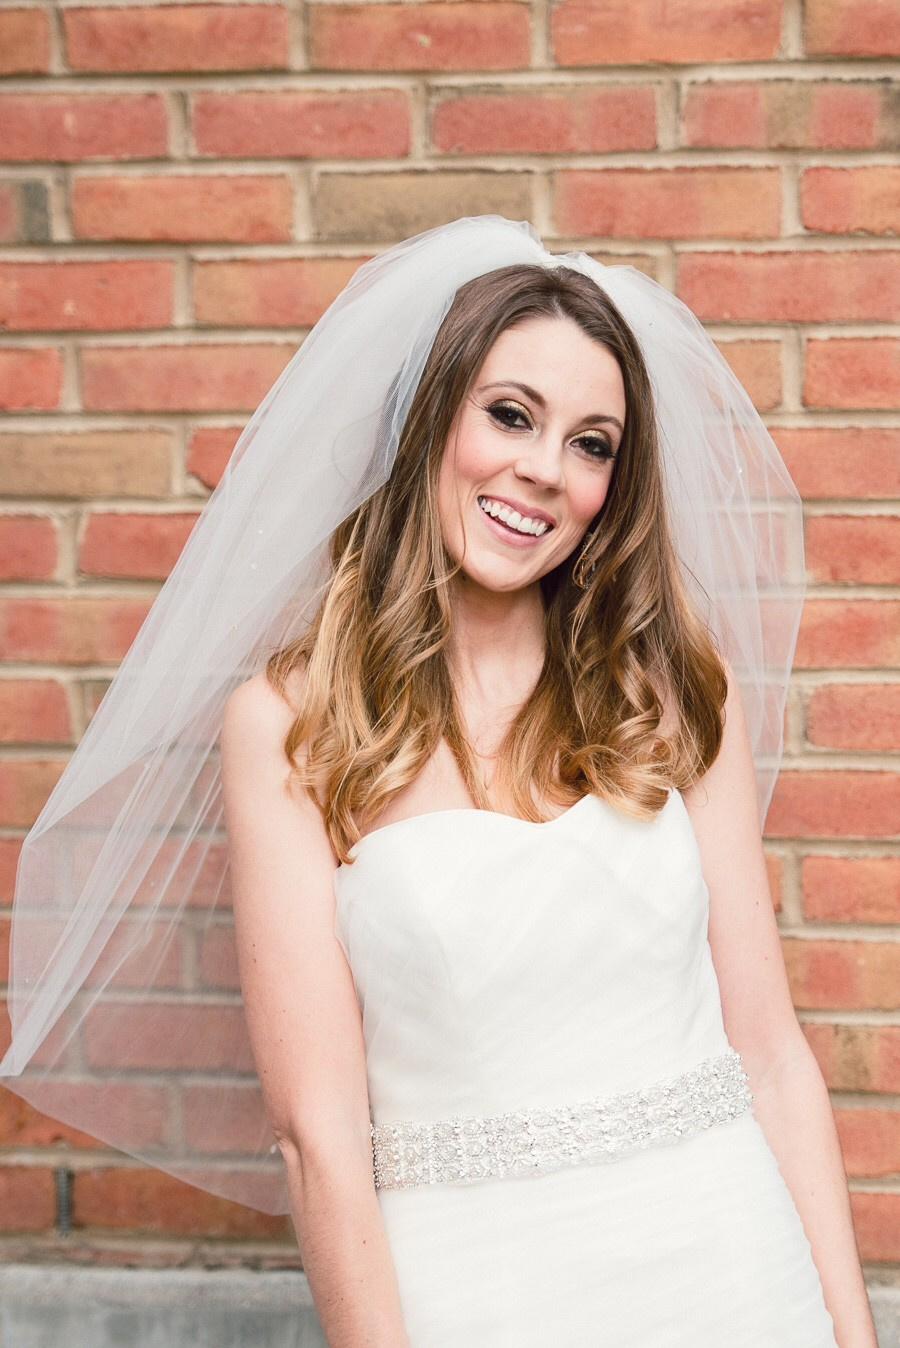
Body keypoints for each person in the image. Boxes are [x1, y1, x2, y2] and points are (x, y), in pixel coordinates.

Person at [1, 218, 876, 1345]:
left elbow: (772, 1053)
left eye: (592, 444)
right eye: (510, 414)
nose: (544, 469)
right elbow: (317, 1137)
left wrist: (853, 1333)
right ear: (429, 420)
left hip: (739, 1278)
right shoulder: (291, 724)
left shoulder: (668, 688)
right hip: (478, 1296)